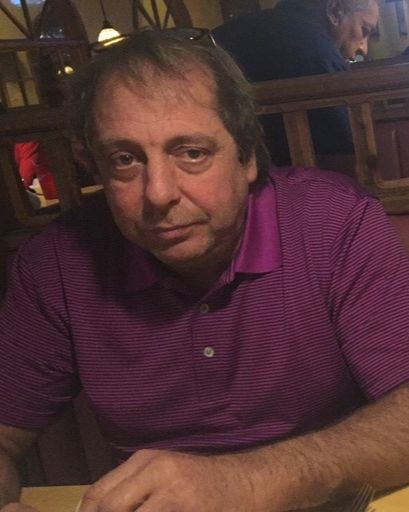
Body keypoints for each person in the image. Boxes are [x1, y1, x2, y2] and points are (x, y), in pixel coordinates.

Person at [0, 30, 409, 512]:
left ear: (247, 155)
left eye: (192, 153)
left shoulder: (335, 223)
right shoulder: (55, 264)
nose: (158, 194)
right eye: (125, 159)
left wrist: (247, 482)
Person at [212, 0, 380, 167]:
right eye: (364, 30)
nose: (363, 49)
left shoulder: (233, 31)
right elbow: (351, 149)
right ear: (335, 11)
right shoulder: (316, 49)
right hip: (271, 173)